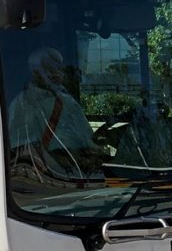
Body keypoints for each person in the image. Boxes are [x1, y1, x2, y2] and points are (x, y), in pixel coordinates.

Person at [7, 47, 103, 180]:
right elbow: (21, 150)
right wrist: (59, 158)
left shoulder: (69, 102)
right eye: (49, 70)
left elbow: (88, 139)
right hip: (45, 180)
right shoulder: (21, 104)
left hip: (81, 176)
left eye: (58, 69)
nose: (56, 74)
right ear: (35, 72)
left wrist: (92, 155)